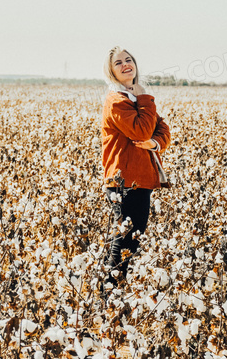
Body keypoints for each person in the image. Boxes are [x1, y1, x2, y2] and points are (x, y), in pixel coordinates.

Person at [101, 46, 171, 291]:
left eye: (128, 60)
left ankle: (112, 289)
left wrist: (154, 143)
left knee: (130, 238)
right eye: (118, 63)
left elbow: (161, 128)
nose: (125, 65)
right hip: (124, 181)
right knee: (125, 239)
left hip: (139, 179)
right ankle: (109, 293)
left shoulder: (132, 99)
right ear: (111, 71)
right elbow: (141, 129)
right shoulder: (118, 101)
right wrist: (144, 98)